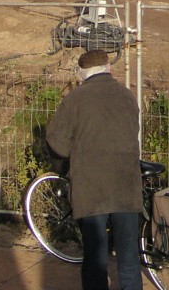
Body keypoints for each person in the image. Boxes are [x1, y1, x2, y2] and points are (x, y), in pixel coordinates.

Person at [46, 50, 143, 290]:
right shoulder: (127, 96)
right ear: (109, 68)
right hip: (127, 187)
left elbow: (57, 142)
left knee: (95, 258)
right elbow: (134, 129)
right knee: (129, 258)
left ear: (81, 73)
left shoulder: (75, 99)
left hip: (91, 190)